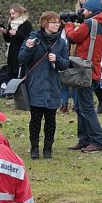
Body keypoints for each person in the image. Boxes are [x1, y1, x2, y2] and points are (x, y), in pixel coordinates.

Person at [18, 11, 70, 159]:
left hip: (53, 86)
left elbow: (65, 64)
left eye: (58, 22)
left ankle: (48, 148)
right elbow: (21, 59)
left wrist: (57, 59)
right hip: (36, 85)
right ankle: (34, 148)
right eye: (53, 22)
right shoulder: (33, 39)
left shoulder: (61, 42)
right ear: (45, 23)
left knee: (51, 119)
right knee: (35, 118)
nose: (57, 25)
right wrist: (28, 48)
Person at [63, 0, 102, 153]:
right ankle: (84, 139)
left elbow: (73, 37)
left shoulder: (90, 23)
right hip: (93, 69)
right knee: (81, 106)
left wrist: (69, 25)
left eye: (85, 9)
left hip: (84, 70)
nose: (83, 11)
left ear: (91, 11)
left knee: (86, 107)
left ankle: (97, 140)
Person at [1, 4, 33, 80]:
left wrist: (17, 33)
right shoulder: (11, 23)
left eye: (13, 13)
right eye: (10, 14)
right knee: (11, 71)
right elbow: (8, 40)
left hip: (21, 49)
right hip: (12, 50)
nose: (12, 16)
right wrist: (5, 34)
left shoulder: (26, 23)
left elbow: (29, 37)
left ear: (19, 12)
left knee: (19, 71)